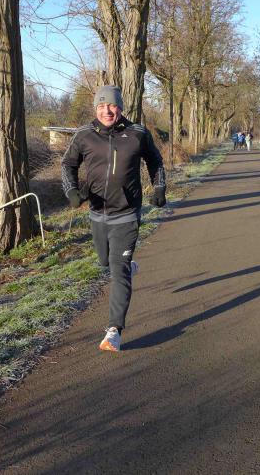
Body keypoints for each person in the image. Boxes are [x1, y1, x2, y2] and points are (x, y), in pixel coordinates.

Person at [61, 85, 166, 352]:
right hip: (97, 212)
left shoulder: (137, 133)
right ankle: (127, 265)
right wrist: (71, 191)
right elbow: (68, 164)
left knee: (118, 271)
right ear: (95, 108)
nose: (107, 111)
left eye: (112, 105)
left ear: (120, 107)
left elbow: (155, 162)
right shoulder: (84, 134)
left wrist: (159, 188)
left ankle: (114, 332)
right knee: (105, 262)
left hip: (127, 213)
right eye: (101, 106)